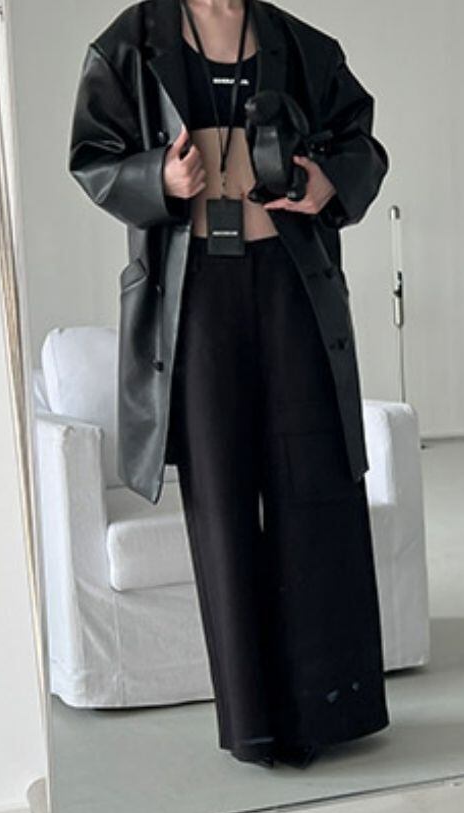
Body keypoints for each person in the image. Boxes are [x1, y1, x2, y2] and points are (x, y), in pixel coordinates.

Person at [70, 0, 391, 768]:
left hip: (290, 283)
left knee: (314, 482)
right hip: (195, 301)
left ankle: (328, 714)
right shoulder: (127, 47)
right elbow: (92, 159)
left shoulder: (302, 45)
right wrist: (160, 176)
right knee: (220, 498)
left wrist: (326, 182)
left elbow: (362, 145)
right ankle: (253, 725)